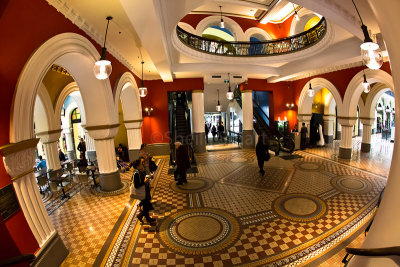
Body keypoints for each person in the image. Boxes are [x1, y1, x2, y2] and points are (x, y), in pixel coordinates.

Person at [131, 158, 155, 224]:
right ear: (137, 166)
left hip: (144, 191)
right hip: (142, 192)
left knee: (146, 206)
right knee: (146, 206)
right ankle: (140, 216)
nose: (142, 165)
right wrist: (145, 182)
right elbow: (137, 185)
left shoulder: (139, 171)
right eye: (141, 164)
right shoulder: (136, 174)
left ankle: (147, 218)